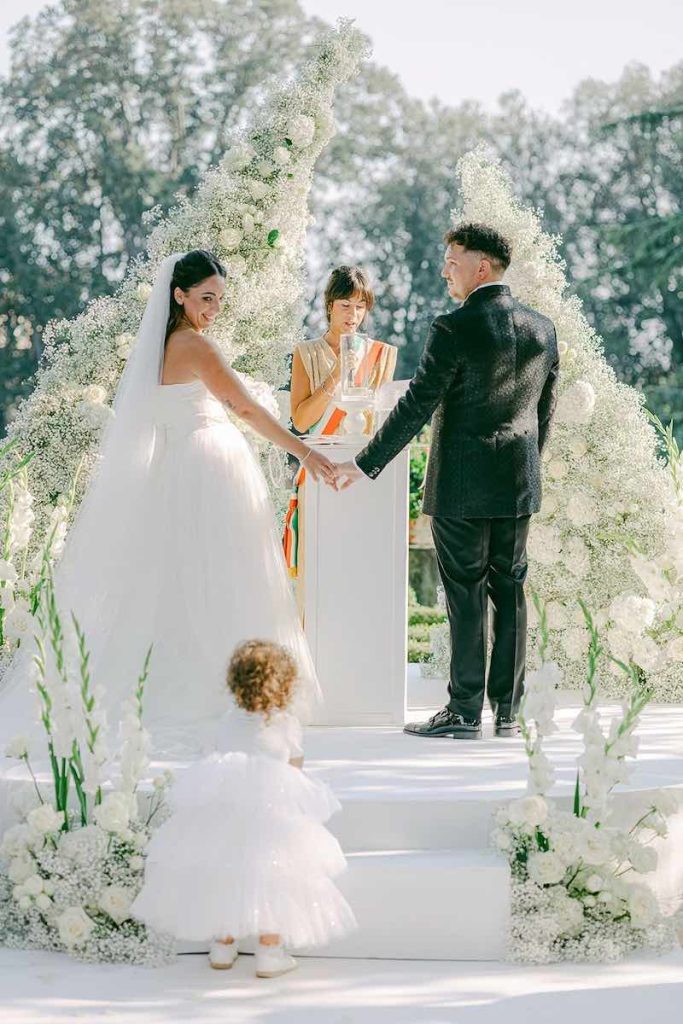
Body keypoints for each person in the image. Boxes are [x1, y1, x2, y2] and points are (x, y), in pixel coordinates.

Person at [0, 251, 338, 757]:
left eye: (220, 300)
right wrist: (306, 452)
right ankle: (228, 688)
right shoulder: (195, 346)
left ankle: (201, 679)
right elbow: (243, 406)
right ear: (178, 295)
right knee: (225, 578)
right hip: (209, 469)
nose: (213, 309)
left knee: (182, 581)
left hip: (179, 467)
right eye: (205, 298)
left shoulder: (157, 350)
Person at [338, 223, 560, 740]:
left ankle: (463, 712)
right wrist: (526, 465)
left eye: (452, 261)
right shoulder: (541, 329)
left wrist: (365, 463)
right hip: (516, 483)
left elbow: (417, 404)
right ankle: (508, 712)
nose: (444, 271)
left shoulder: (454, 328)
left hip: (461, 487)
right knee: (510, 593)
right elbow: (544, 413)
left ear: (480, 267)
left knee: (465, 596)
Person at [131, 639, 356, 978]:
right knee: (275, 880)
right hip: (272, 821)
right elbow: (294, 770)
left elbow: (213, 763)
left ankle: (222, 945)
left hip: (227, 818)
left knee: (225, 876)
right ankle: (269, 951)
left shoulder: (225, 722)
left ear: (235, 683)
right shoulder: (285, 724)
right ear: (284, 685)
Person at [283, 266, 397, 598]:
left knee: (358, 567)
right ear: (330, 305)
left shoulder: (380, 354)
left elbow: (380, 418)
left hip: (361, 466)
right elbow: (302, 421)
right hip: (320, 466)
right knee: (320, 568)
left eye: (360, 306)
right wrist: (335, 377)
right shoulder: (306, 353)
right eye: (346, 305)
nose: (353, 314)